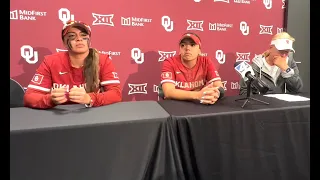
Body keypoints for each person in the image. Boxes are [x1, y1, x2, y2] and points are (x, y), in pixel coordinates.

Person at [24, 20, 122, 109]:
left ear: (89, 40)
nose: (79, 39)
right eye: (72, 36)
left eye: (83, 35)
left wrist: (89, 98)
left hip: (92, 114)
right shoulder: (51, 61)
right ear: (64, 42)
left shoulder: (102, 60)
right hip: (60, 116)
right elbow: (30, 96)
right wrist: (50, 99)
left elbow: (116, 93)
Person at [159, 32, 224, 105]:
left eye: (192, 45)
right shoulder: (170, 62)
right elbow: (168, 92)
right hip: (175, 105)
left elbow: (219, 86)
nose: (187, 48)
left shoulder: (206, 61)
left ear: (199, 50)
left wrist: (215, 94)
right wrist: (198, 95)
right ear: (180, 49)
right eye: (183, 45)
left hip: (197, 104)